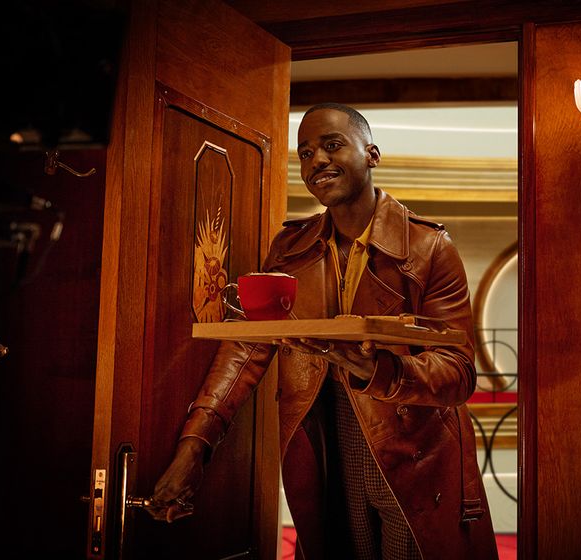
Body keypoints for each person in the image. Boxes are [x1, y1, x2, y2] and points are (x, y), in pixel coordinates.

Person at [148, 103, 498, 560]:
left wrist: (381, 371)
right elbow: (245, 350)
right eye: (306, 153)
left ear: (371, 154)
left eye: (332, 146)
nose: (317, 162)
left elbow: (459, 372)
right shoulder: (290, 248)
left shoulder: (429, 247)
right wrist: (195, 445)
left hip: (417, 454)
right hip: (326, 448)